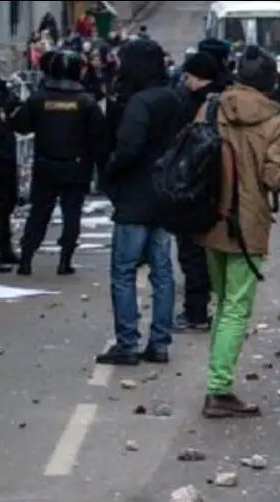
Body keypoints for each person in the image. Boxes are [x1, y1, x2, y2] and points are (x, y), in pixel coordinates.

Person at [194, 45, 280, 418]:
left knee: (222, 302)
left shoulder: (212, 107)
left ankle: (216, 382)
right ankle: (218, 389)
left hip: (210, 215)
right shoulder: (275, 122)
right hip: (247, 224)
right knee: (236, 307)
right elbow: (275, 179)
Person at [97, 36, 182, 366]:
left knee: (124, 271)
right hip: (165, 195)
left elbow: (128, 148)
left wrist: (110, 173)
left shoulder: (138, 103)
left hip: (135, 196)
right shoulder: (172, 98)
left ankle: (127, 343)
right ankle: (159, 342)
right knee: (162, 272)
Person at [12, 50, 105, 277]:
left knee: (38, 213)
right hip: (76, 166)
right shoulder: (86, 102)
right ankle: (65, 261)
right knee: (71, 214)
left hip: (45, 164)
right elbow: (99, 137)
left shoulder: (39, 99)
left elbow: (21, 125)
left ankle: (26, 259)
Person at [171, 50, 221, 333]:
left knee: (191, 253)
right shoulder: (224, 100)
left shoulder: (192, 104)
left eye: (188, 76)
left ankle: (196, 312)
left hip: (193, 186)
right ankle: (211, 307)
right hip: (218, 187)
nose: (185, 80)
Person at [0, 54, 21, 271]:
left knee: (6, 203)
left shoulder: (1, 89)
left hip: (5, 154)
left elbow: (14, 108)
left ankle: (4, 247)